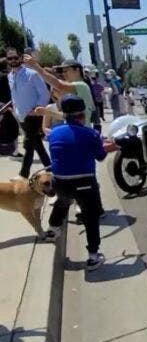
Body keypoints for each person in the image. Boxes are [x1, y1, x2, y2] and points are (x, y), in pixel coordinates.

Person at [45, 94, 106, 269]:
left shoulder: (54, 134)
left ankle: (52, 229)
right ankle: (93, 256)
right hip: (85, 182)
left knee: (62, 201)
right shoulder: (90, 134)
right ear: (82, 115)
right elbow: (101, 157)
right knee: (91, 217)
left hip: (60, 182)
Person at [6, 48, 50, 177]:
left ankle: (23, 175)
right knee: (38, 145)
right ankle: (51, 168)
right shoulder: (10, 76)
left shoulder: (32, 74)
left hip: (34, 116)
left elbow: (44, 94)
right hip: (21, 116)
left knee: (28, 145)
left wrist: (38, 108)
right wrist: (14, 108)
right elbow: (14, 95)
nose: (13, 61)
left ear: (20, 57)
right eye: (10, 58)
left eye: (15, 57)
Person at [25, 57, 96, 128]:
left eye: (66, 71)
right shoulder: (77, 88)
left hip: (82, 132)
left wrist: (36, 66)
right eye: (62, 72)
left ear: (77, 70)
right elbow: (67, 117)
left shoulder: (81, 85)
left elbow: (59, 85)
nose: (63, 74)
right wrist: (46, 112)